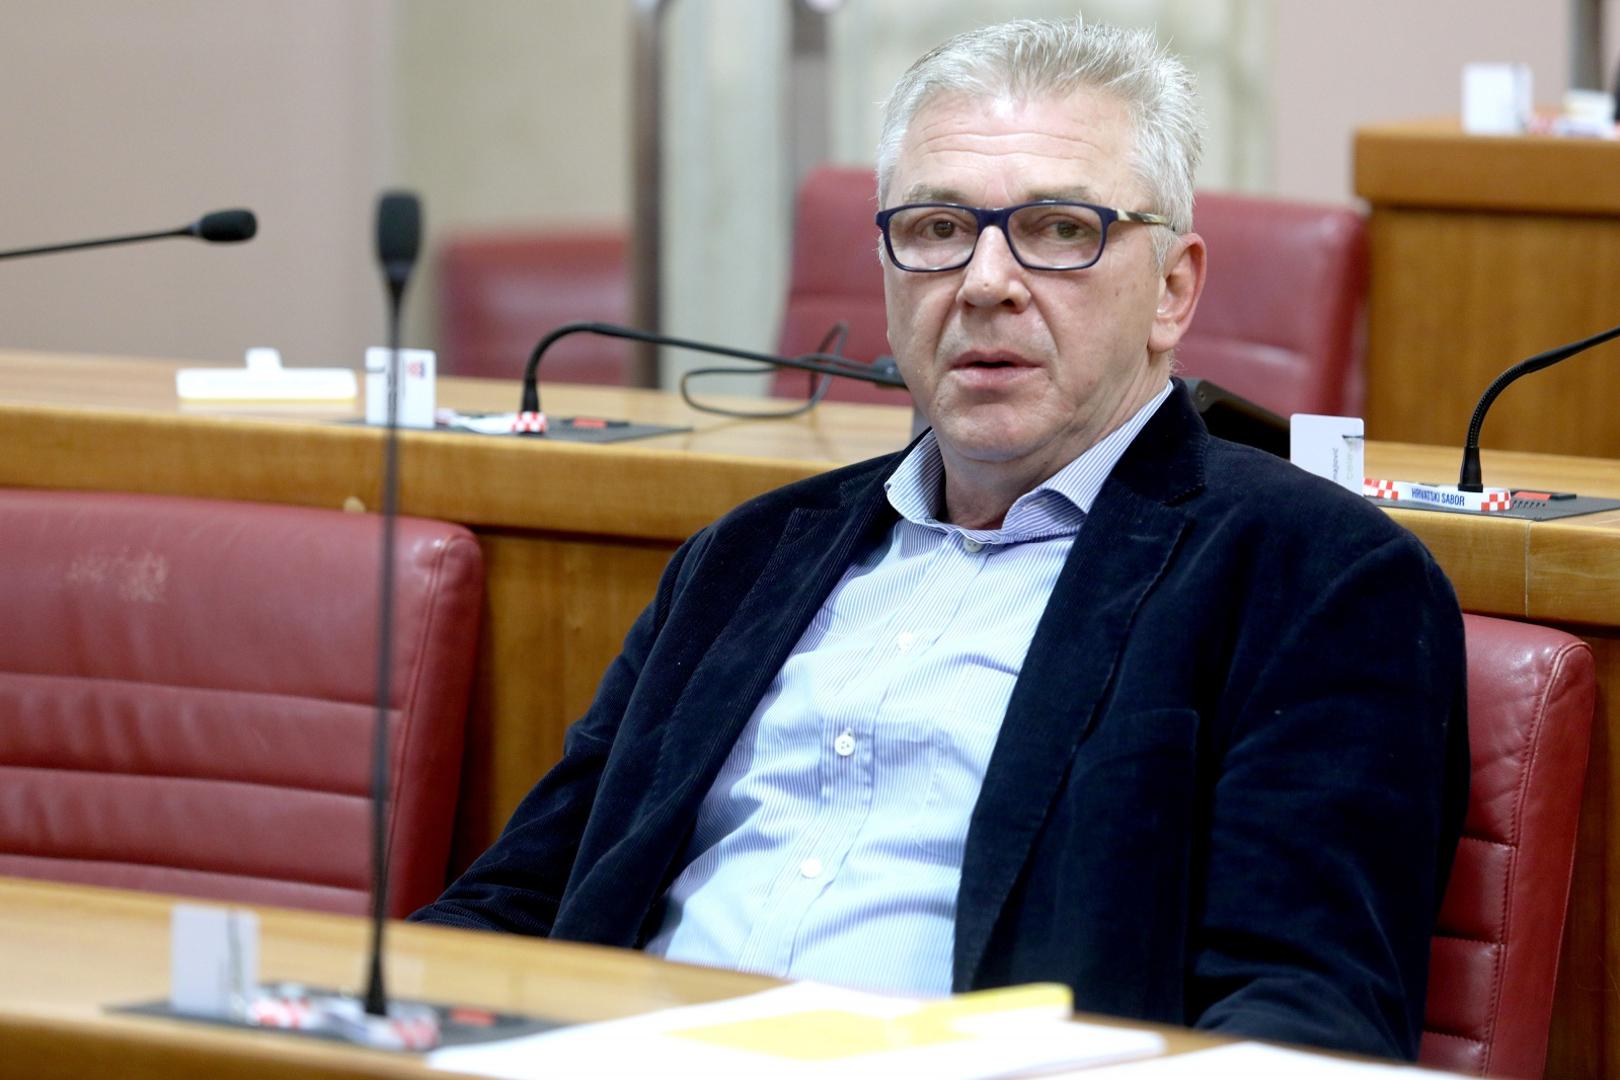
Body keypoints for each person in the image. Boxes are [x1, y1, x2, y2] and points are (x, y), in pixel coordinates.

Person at [413, 18, 1468, 1062]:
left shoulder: (1313, 575)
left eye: (1060, 229)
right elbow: (522, 899)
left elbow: (1300, 1021)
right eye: (935, 228)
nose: (984, 280)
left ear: (1173, 289)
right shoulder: (745, 557)